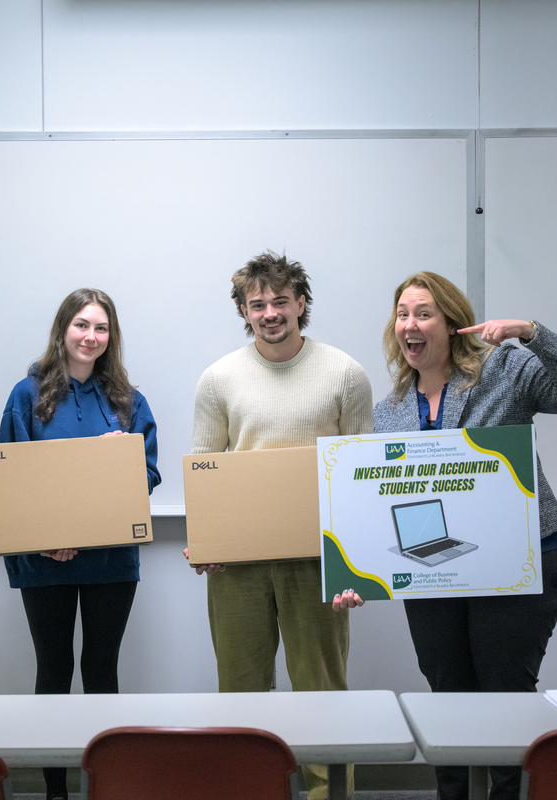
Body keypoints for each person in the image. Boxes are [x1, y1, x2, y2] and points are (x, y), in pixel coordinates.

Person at [337, 271, 557, 800]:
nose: (410, 325)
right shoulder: (389, 411)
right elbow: (379, 504)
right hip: (436, 571)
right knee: (448, 698)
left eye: (424, 313)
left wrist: (529, 331)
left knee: (506, 696)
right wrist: (356, 575)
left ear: (453, 325)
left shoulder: (504, 368)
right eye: (402, 314)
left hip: (520, 558)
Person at [186, 251, 373, 800]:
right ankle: (249, 789)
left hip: (320, 559)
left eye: (280, 301)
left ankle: (326, 794)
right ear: (245, 311)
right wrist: (206, 542)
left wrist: (358, 569)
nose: (270, 313)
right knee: (241, 695)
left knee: (322, 693)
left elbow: (361, 474)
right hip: (237, 564)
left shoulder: (344, 372)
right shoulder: (219, 378)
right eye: (257, 304)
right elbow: (204, 465)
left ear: (301, 304)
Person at [0, 288, 160, 800]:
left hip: (110, 559)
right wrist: (50, 536)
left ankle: (103, 787)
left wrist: (119, 459)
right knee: (54, 668)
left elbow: (149, 473)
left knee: (101, 668)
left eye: (102, 328)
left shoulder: (129, 401)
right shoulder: (26, 395)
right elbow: (7, 478)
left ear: (112, 337)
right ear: (63, 329)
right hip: (43, 560)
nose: (91, 337)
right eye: (82, 325)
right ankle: (55, 791)